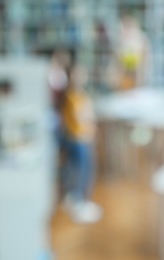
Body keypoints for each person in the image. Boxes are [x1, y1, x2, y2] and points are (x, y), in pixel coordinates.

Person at [61, 65, 102, 224]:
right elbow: (79, 118)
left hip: (86, 138)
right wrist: (88, 117)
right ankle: (76, 201)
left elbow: (89, 115)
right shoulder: (71, 97)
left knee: (88, 171)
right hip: (77, 140)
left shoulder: (83, 96)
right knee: (80, 171)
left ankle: (83, 200)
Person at [111, 15, 151, 90]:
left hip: (136, 71)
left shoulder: (141, 39)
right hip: (125, 73)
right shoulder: (121, 40)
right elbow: (117, 61)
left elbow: (144, 63)